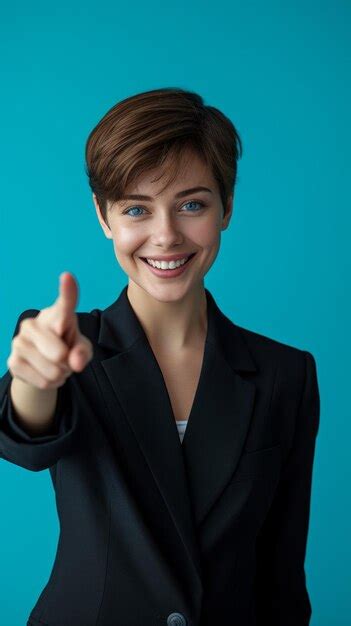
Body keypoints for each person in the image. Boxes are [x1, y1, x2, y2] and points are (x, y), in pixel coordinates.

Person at [0, 87, 320, 626]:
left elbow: (282, 572)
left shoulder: (286, 375)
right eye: (136, 209)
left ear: (227, 208)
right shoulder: (62, 343)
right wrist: (33, 379)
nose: (166, 236)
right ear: (104, 217)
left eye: (192, 204)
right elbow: (23, 437)